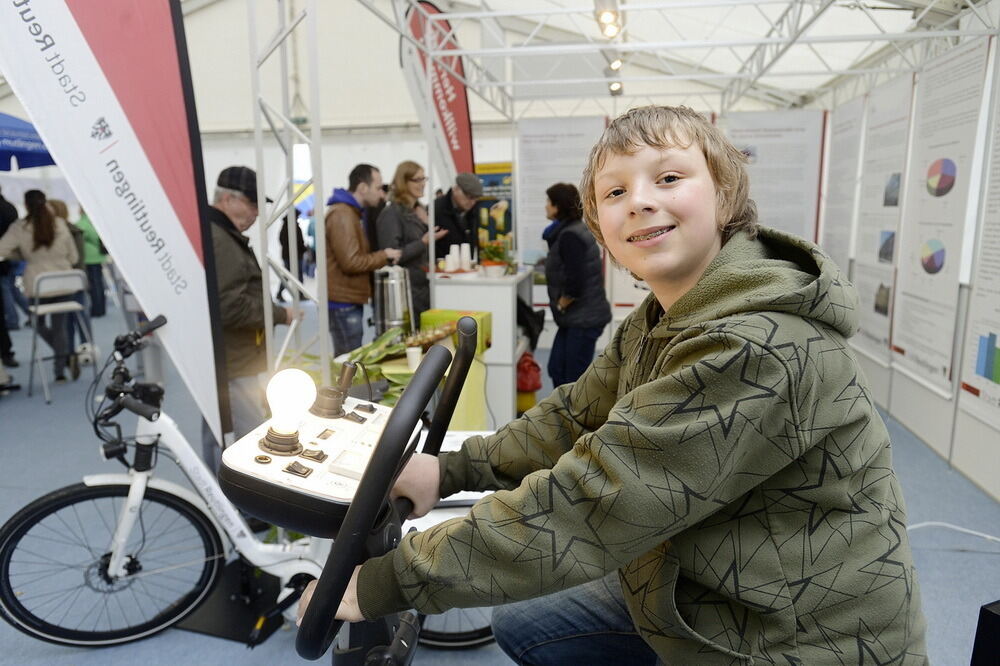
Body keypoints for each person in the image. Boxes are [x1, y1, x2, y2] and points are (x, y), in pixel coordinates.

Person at [298, 106, 928, 664]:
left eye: (670, 178)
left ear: (727, 196)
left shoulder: (757, 343)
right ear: (600, 228)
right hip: (705, 583)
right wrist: (453, 469)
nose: (641, 200)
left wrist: (388, 579)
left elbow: (596, 499)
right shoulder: (662, 318)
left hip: (790, 635)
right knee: (530, 623)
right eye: (616, 191)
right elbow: (574, 416)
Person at [201, 165, 296, 474]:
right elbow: (228, 306)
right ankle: (240, 512)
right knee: (245, 438)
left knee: (226, 435)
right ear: (227, 199)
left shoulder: (219, 235)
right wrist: (279, 314)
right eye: (251, 203)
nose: (256, 213)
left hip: (232, 358)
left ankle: (230, 506)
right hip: (234, 360)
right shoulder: (220, 240)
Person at [0, 190, 79, 382]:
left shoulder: (20, 228)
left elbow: (2, 249)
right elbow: (74, 257)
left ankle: (65, 357)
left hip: (38, 285)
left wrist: (22, 255)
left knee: (37, 322)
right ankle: (60, 369)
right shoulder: (59, 224)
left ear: (25, 205)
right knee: (60, 327)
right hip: (66, 283)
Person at [325, 164, 401, 356]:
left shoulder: (351, 213)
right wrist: (384, 255)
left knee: (349, 361)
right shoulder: (343, 214)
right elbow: (351, 262)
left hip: (348, 301)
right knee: (346, 366)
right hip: (343, 304)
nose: (381, 195)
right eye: (378, 188)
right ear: (362, 188)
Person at [542, 182, 611, 386]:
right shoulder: (568, 232)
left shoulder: (570, 235)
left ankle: (573, 418)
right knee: (557, 368)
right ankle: (562, 416)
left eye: (548, 202)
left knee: (572, 378)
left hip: (583, 318)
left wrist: (562, 303)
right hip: (576, 318)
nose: (545, 206)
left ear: (557, 206)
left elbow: (576, 279)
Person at [375, 161, 446, 324]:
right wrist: (423, 242)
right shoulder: (391, 214)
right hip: (406, 294)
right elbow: (391, 257)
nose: (422, 184)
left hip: (423, 289)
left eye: (424, 179)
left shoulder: (419, 212)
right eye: (417, 179)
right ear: (403, 182)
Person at [433, 172, 482, 261]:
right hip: (443, 270)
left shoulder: (474, 210)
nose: (473, 202)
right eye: (469, 197)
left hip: (468, 268)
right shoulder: (435, 210)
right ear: (456, 189)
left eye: (476, 199)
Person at [75, 206, 109, 317]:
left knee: (94, 285)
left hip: (89, 258)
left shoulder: (82, 223)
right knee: (98, 284)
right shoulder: (93, 221)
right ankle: (101, 308)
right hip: (97, 257)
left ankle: (96, 309)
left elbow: (91, 237)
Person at [0, 185, 20, 331]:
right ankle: (30, 312)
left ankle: (13, 320)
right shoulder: (10, 207)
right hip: (15, 251)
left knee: (5, 287)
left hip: (4, 253)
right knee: (11, 286)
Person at [276, 211, 306, 302]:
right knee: (298, 275)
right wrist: (303, 249)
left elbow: (281, 240)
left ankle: (280, 293)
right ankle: (300, 294)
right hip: (296, 255)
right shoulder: (295, 228)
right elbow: (300, 242)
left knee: (287, 275)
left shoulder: (284, 227)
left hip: (286, 255)